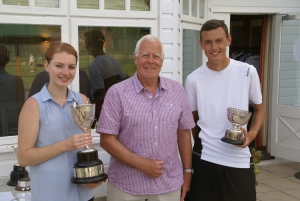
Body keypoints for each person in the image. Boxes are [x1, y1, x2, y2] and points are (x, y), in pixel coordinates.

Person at [97, 35, 195, 201]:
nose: (150, 61)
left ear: (162, 61)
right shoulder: (117, 93)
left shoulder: (177, 91)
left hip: (168, 186)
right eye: (145, 55)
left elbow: (184, 133)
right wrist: (142, 164)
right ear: (136, 58)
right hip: (126, 188)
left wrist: (187, 171)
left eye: (156, 56)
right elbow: (106, 140)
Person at [184, 19, 265, 201]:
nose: (214, 47)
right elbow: (193, 120)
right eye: (208, 42)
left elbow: (259, 109)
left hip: (239, 159)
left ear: (228, 40)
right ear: (201, 44)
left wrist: (251, 134)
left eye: (219, 40)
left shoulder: (247, 72)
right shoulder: (193, 79)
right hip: (205, 158)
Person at [18, 41, 103, 201]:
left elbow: (87, 145)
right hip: (51, 194)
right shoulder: (33, 105)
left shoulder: (82, 100)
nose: (66, 72)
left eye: (71, 67)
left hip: (84, 194)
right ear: (46, 65)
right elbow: (24, 157)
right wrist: (65, 145)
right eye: (59, 65)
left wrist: (93, 175)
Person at [84, 29, 127, 120]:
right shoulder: (113, 60)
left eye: (86, 43)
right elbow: (123, 81)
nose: (85, 47)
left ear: (92, 44)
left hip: (104, 110)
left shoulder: (94, 66)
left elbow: (102, 95)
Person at [0, 45, 25, 136]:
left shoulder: (16, 81)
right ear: (8, 60)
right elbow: (21, 107)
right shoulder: (16, 81)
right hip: (12, 124)